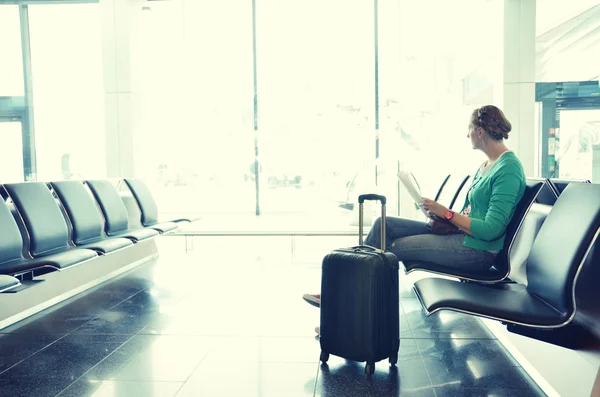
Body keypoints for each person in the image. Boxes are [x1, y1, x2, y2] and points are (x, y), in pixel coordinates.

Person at [303, 105, 527, 309]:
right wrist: (440, 215)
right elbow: (472, 212)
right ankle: (344, 302)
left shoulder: (508, 169)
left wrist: (447, 213)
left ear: (480, 131)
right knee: (384, 225)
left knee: (390, 247)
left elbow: (492, 229)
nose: (466, 134)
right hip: (463, 236)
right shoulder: (486, 165)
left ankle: (341, 307)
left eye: (469, 129)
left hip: (478, 251)